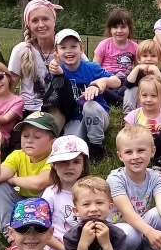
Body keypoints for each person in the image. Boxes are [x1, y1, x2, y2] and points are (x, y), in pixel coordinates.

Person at [107, 125, 161, 250]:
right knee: (131, 233)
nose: (135, 156)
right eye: (128, 152)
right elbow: (127, 212)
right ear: (120, 156)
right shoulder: (115, 179)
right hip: (118, 233)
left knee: (160, 214)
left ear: (152, 151)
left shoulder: (154, 177)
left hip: (140, 228)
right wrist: (149, 232)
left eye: (141, 150)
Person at [47, 28, 120, 162]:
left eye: (73, 46)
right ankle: (82, 138)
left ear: (81, 49)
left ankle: (96, 146)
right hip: (75, 118)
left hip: (97, 116)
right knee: (70, 145)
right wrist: (58, 74)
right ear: (56, 53)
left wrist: (102, 81)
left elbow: (117, 81)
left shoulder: (91, 68)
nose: (69, 51)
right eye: (63, 47)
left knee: (89, 106)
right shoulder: (58, 72)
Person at [0, 110, 58, 236]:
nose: (29, 140)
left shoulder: (56, 158)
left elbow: (38, 183)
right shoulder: (18, 155)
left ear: (53, 142)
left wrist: (13, 180)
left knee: (49, 190)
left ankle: (43, 232)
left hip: (44, 205)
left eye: (37, 137)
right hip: (22, 203)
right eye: (25, 135)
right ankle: (12, 235)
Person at [7, 0, 62, 115]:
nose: (41, 25)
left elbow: (88, 72)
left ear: (54, 21)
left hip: (58, 110)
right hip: (28, 111)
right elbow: (10, 87)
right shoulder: (21, 50)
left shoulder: (67, 49)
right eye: (35, 21)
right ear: (29, 26)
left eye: (45, 19)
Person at [41, 135, 90, 250]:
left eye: (76, 162)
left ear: (83, 165)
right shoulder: (50, 194)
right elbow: (41, 228)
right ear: (54, 165)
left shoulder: (91, 192)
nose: (70, 167)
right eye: (63, 161)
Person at [124, 75, 161, 169]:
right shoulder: (133, 116)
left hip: (159, 148)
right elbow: (125, 137)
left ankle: (159, 163)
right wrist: (140, 131)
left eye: (153, 96)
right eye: (144, 95)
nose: (148, 100)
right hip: (139, 149)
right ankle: (132, 164)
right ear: (139, 96)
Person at [93, 8, 138, 105]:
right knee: (100, 90)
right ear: (110, 29)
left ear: (129, 28)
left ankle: (117, 99)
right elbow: (94, 68)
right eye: (115, 27)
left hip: (125, 83)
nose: (119, 31)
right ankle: (121, 101)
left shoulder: (135, 47)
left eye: (123, 27)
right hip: (107, 81)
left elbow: (138, 68)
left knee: (134, 88)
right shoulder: (104, 44)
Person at [122, 40, 161, 116]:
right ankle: (129, 116)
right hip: (140, 104)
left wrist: (155, 70)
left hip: (156, 105)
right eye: (145, 56)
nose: (149, 59)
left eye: (153, 56)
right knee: (130, 90)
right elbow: (128, 84)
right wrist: (137, 68)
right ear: (138, 59)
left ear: (159, 59)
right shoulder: (137, 73)